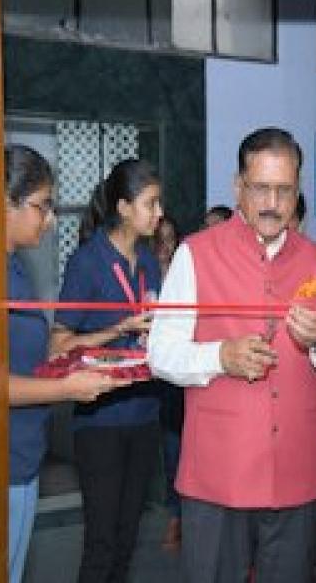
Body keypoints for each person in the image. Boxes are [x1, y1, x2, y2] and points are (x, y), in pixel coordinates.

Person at [148, 127, 316, 582]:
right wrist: (220, 357)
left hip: (295, 477)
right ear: (238, 187)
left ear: (297, 192)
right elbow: (160, 352)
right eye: (260, 188)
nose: (272, 203)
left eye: (284, 190)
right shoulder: (195, 254)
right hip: (217, 476)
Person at [4, 145, 127, 583]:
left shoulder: (14, 268)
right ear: (5, 202)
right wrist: (67, 389)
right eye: (42, 206)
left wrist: (101, 344)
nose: (51, 219)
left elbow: (36, 357)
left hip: (23, 455)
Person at [51, 158, 164, 582]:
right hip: (100, 420)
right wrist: (118, 329)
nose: (159, 213)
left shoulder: (149, 261)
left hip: (145, 413)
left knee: (127, 538)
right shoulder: (87, 262)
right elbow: (58, 345)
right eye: (150, 204)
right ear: (123, 207)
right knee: (101, 543)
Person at [153, 214, 184, 550]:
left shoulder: (184, 277)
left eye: (170, 239)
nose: (164, 247)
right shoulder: (142, 275)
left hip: (178, 386)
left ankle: (179, 518)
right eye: (158, 240)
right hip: (149, 385)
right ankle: (175, 516)